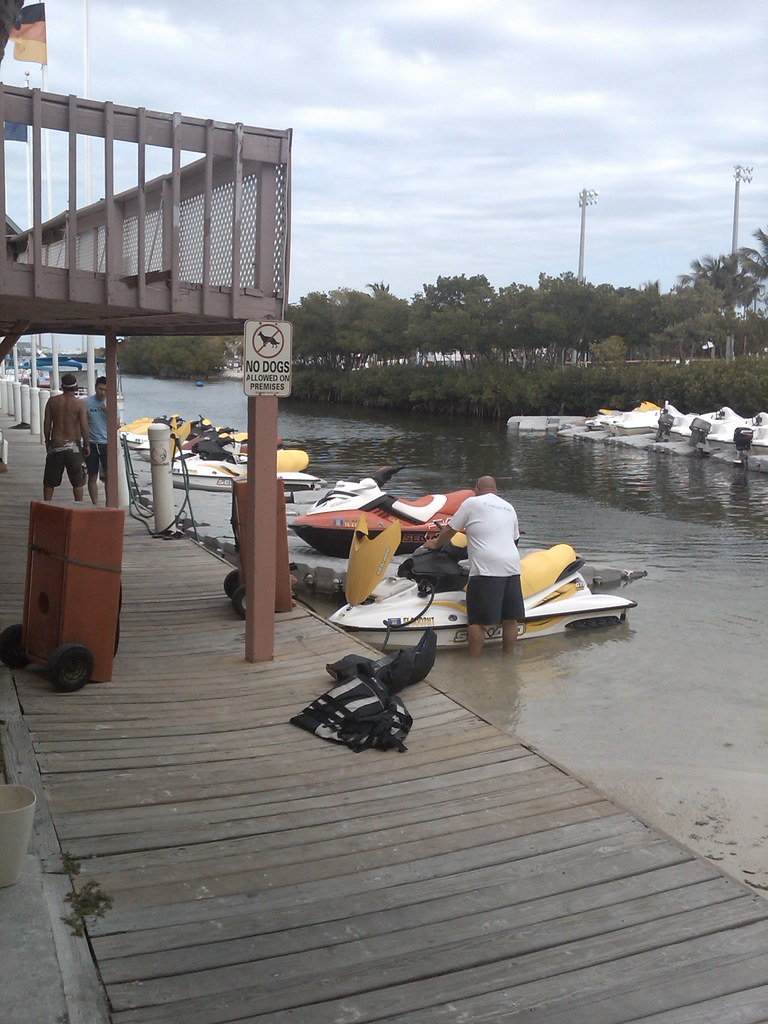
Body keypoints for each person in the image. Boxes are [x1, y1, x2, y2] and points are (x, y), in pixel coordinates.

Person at [424, 475, 522, 656]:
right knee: (510, 619)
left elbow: (451, 529)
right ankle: (509, 659)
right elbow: (515, 539)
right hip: (512, 566)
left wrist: (436, 544)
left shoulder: (471, 503)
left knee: (477, 621)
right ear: (496, 490)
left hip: (486, 570)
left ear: (476, 490)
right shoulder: (509, 507)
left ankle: (474, 663)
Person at [42, 373, 90, 502]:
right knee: (78, 481)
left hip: (56, 444)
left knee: (50, 481)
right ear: (76, 387)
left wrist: (47, 441)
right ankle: (78, 507)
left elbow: (47, 424)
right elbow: (84, 426)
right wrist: (86, 444)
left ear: (62, 387)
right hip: (73, 446)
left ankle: (47, 504)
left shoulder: (52, 401)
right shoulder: (80, 404)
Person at [85, 376, 109, 504]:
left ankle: (108, 503)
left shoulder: (110, 403)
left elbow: (117, 425)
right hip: (91, 443)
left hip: (107, 443)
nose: (103, 392)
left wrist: (108, 412)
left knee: (109, 476)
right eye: (100, 389)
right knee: (92, 475)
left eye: (105, 389)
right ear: (95, 388)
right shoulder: (86, 402)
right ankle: (95, 504)